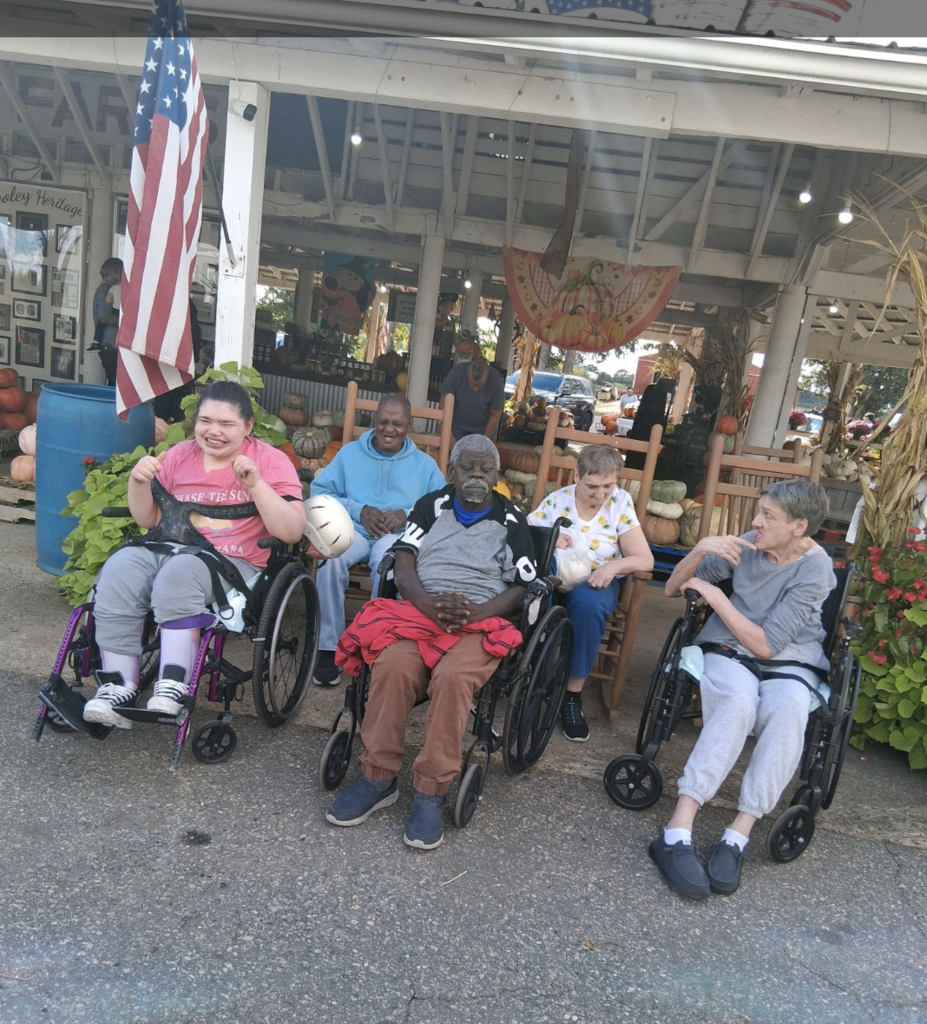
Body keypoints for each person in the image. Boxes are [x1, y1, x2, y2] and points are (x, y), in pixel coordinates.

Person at [327, 434, 537, 850]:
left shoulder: (512, 518)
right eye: (467, 467)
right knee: (392, 665)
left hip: (480, 619)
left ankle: (430, 790)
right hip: (422, 611)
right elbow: (403, 562)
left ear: (496, 475)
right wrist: (426, 604)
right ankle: (378, 777)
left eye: (486, 469)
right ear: (452, 471)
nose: (476, 475)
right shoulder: (431, 506)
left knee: (454, 677)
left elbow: (522, 586)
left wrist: (478, 613)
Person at [82, 381, 306, 729]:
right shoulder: (179, 455)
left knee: (181, 572)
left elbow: (291, 531)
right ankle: (118, 686)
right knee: (120, 567)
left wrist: (256, 485)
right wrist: (137, 483)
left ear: (247, 426)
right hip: (170, 547)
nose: (214, 431)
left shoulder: (271, 461)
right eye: (206, 421)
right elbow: (148, 520)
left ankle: (173, 685)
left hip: (232, 563)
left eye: (226, 424)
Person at [650, 479, 834, 899]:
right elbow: (674, 588)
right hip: (730, 648)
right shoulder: (750, 544)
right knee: (737, 701)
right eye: (759, 511)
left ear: (799, 526)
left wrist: (717, 599)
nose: (756, 522)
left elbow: (768, 645)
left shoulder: (815, 569)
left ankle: (738, 833)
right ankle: (678, 826)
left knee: (789, 710)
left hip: (789, 658)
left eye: (768, 516)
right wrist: (700, 551)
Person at [309, 393, 446, 686]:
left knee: (388, 567)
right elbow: (320, 492)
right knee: (329, 558)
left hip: (394, 536)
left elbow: (442, 506)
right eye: (384, 421)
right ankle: (327, 647)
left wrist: (407, 515)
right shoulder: (349, 454)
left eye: (397, 423)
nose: (389, 429)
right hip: (353, 530)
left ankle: (370, 643)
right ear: (374, 420)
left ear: (409, 424)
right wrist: (359, 510)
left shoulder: (425, 465)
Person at [528, 446, 653, 741]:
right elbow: (523, 533)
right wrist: (550, 537)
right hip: (556, 577)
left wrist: (614, 567)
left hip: (597, 581)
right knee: (536, 593)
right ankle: (535, 677)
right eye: (593, 486)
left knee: (588, 604)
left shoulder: (619, 503)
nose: (601, 494)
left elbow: (645, 559)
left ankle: (571, 694)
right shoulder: (557, 501)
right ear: (577, 477)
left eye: (608, 486)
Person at [440, 348, 504, 441]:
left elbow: (495, 415)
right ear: (467, 374)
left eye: (479, 386)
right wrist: (449, 437)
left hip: (482, 430)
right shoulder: (456, 373)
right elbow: (443, 407)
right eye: (472, 385)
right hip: (456, 426)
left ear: (487, 377)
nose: (475, 389)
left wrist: (483, 440)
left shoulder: (496, 381)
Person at [91, 257, 123, 386]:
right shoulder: (105, 290)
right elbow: (104, 317)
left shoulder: (111, 289)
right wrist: (127, 323)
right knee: (115, 386)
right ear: (114, 271)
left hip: (112, 345)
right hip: (111, 346)